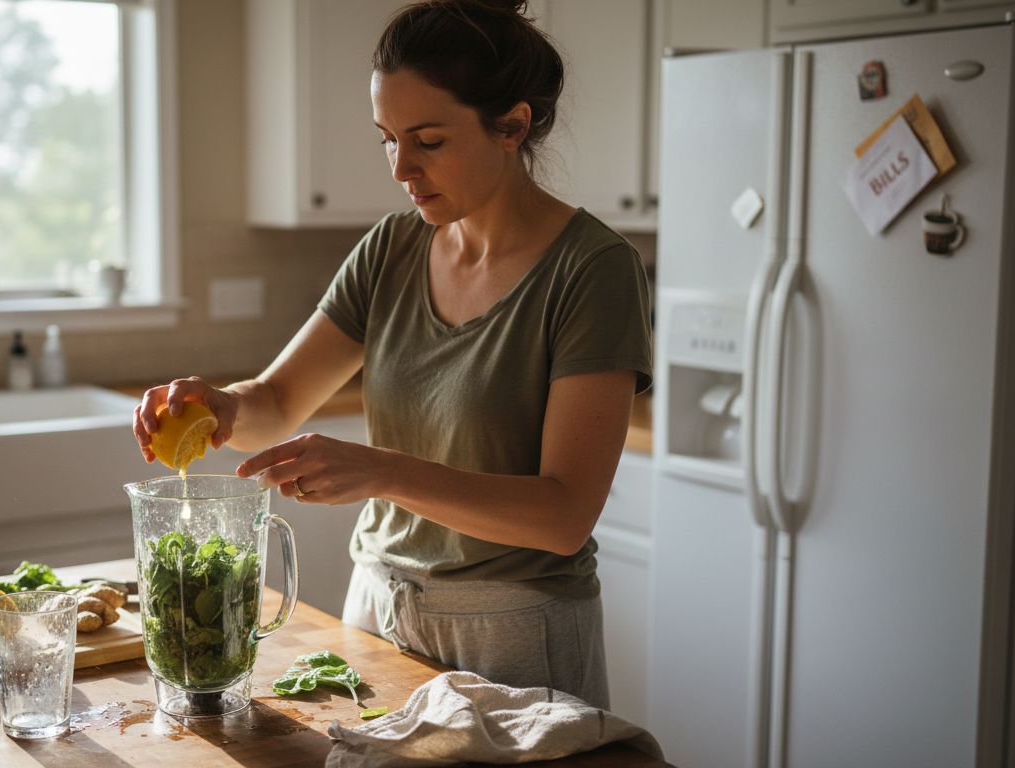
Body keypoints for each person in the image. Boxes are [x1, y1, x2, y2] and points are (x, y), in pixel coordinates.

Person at [132, 0, 651, 708]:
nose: (402, 167)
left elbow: (563, 518)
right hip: (377, 606)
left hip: (514, 631)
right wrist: (221, 408)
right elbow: (278, 402)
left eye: (428, 140)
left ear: (513, 126)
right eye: (387, 138)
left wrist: (380, 471)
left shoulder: (592, 269)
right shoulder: (393, 247)